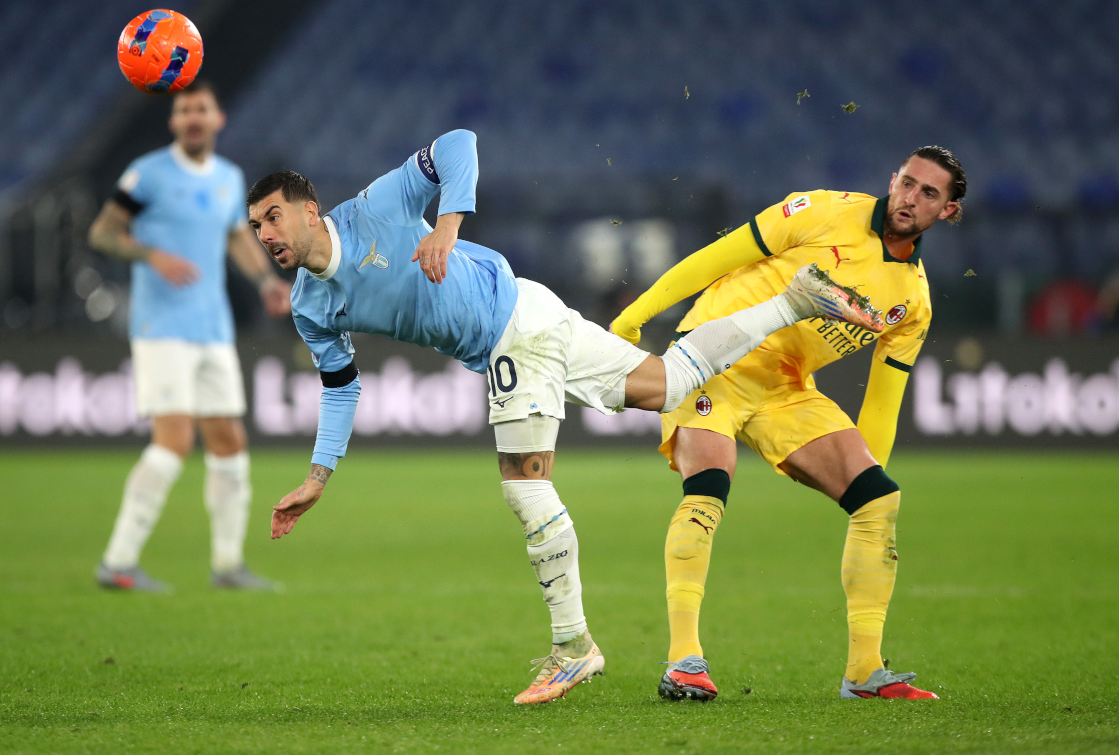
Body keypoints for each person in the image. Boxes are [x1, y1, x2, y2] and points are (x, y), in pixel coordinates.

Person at [245, 128, 883, 704]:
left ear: (309, 210)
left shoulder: (373, 210)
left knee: (525, 485)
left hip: (513, 330)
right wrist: (318, 476)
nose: (266, 235)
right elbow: (340, 386)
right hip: (530, 311)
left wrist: (447, 226)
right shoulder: (309, 306)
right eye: (255, 228)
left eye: (273, 218)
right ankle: (792, 299)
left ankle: (573, 647)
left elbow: (459, 142)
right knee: (665, 384)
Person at [611, 146, 967, 701]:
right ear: (891, 179)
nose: (910, 198)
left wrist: (859, 482)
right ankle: (683, 661)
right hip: (714, 355)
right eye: (907, 182)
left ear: (947, 211)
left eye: (929, 193)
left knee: (879, 500)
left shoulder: (912, 302)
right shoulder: (823, 211)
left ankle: (864, 674)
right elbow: (716, 258)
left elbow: (883, 400)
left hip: (785, 387)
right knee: (709, 487)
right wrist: (635, 317)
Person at [88, 80, 292, 592]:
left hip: (213, 329)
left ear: (218, 119)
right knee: (174, 442)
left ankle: (228, 565)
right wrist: (150, 254)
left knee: (229, 442)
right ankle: (117, 562)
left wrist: (266, 281)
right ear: (174, 122)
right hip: (162, 329)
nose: (193, 117)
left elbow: (235, 236)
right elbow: (102, 233)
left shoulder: (228, 178)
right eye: (184, 110)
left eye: (202, 108)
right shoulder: (148, 174)